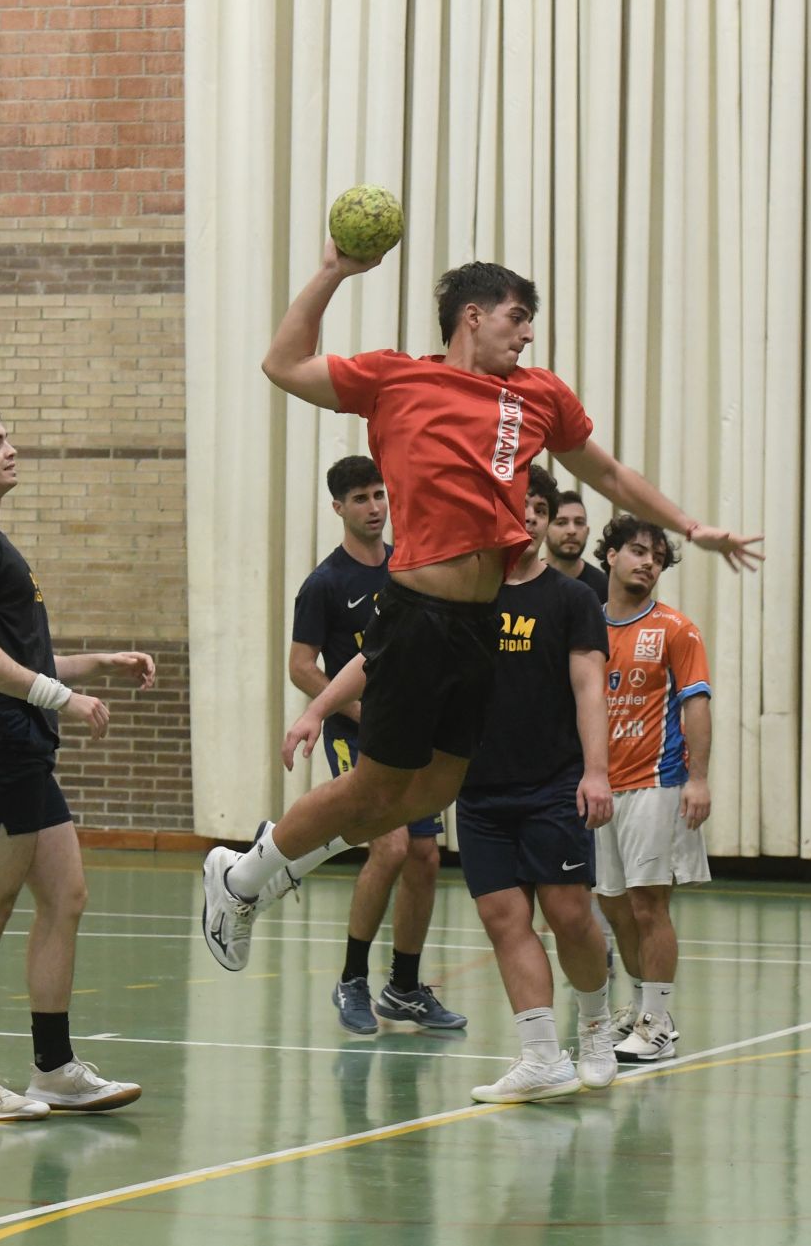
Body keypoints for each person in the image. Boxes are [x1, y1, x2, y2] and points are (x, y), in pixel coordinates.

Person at [200, 245, 760, 972]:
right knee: (375, 787)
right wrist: (336, 271)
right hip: (416, 614)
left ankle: (269, 869)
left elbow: (612, 472)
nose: (526, 334)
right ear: (473, 315)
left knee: (436, 788)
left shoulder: (538, 394)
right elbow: (282, 363)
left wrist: (691, 528)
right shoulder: (395, 377)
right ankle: (241, 877)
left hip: (477, 626)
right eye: (517, 317)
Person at [285, 466, 616, 1102]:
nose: (525, 522)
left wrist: (595, 772)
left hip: (552, 784)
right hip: (478, 783)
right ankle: (542, 1055)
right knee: (501, 916)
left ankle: (597, 1024)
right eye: (515, 509)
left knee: (569, 913)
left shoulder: (571, 600)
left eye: (537, 512)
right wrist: (315, 710)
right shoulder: (462, 593)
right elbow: (373, 654)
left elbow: (587, 687)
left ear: (543, 523)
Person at [0, 404, 148, 1121]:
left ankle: (53, 1066)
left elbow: (14, 653)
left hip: (23, 748)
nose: (11, 449)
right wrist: (63, 694)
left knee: (66, 896)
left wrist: (95, 663)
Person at [288, 454, 464, 1034]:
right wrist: (358, 710)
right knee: (387, 849)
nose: (373, 507)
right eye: (360, 498)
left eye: (379, 496)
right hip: (357, 734)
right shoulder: (326, 583)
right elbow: (301, 666)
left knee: (424, 857)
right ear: (337, 508)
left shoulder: (407, 569)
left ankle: (406, 986)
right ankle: (352, 980)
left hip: (416, 736)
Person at [593, 516, 713, 1063]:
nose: (648, 562)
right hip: (599, 786)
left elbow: (696, 704)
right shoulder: (586, 628)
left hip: (656, 784)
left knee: (648, 905)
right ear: (611, 555)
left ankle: (658, 1024)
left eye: (658, 557)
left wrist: (698, 778)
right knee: (613, 906)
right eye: (638, 551)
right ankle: (645, 1012)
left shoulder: (675, 630)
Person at [543, 489, 609, 603]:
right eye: (561, 523)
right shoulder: (527, 581)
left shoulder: (604, 586)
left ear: (587, 532)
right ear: (544, 531)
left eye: (579, 522)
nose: (572, 531)